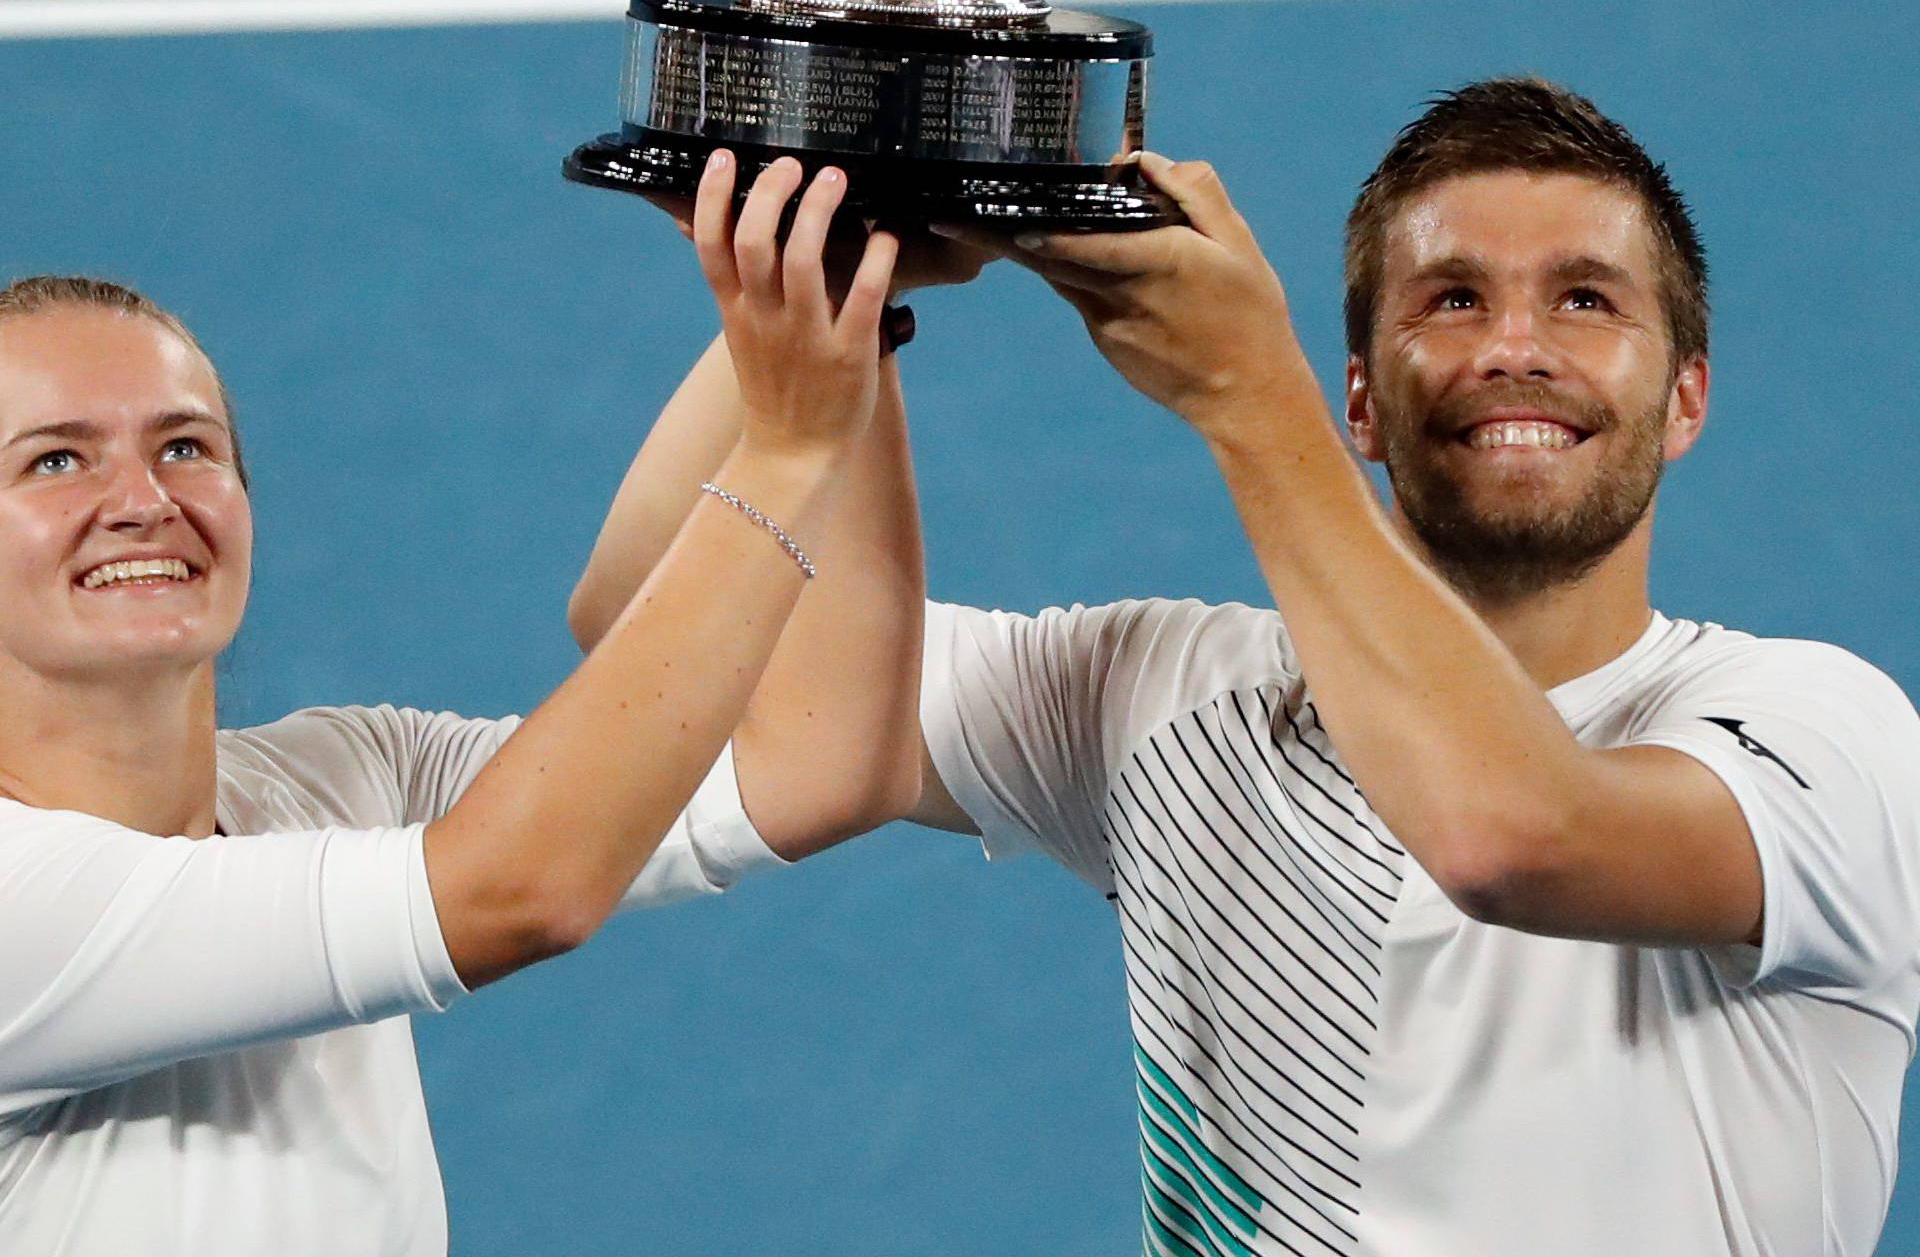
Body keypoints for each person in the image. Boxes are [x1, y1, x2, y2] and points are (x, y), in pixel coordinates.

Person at [574, 80, 1920, 1256]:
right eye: (1452, 300)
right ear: (1363, 398)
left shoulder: (1824, 737)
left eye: (1585, 299)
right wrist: (836, 293)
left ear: (1686, 395)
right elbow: (666, 625)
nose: (1515, 345)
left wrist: (1247, 398)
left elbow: (1514, 834)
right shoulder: (1165, 705)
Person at [0, 152, 913, 1257]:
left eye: (186, 445)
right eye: (54, 462)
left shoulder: (348, 774)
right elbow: (518, 888)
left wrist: (835, 296)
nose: (143, 501)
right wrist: (788, 444)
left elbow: (824, 762)